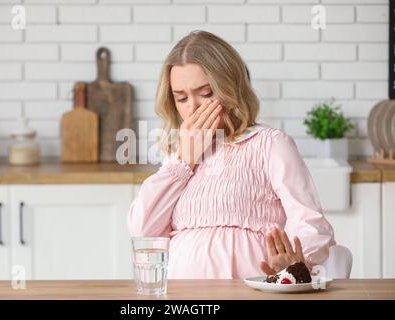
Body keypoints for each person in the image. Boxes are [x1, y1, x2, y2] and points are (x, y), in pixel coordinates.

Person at [127, 30, 335, 279]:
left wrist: (294, 265)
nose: (192, 108)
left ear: (230, 87)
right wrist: (184, 160)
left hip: (251, 290)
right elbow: (143, 231)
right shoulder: (178, 156)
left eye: (205, 94)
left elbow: (311, 224)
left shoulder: (269, 144)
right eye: (181, 98)